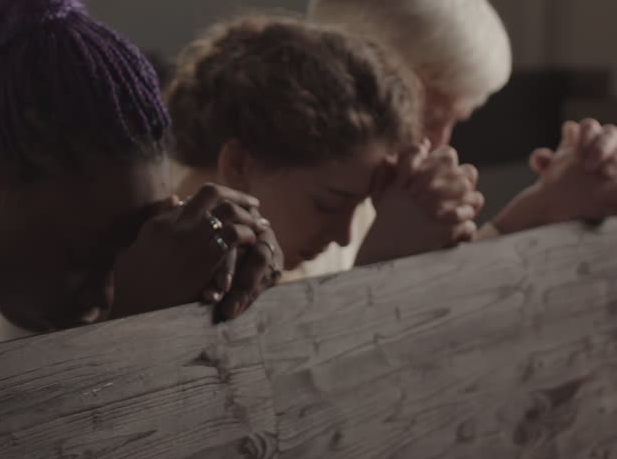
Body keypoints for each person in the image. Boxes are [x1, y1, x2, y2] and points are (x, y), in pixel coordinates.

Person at [0, 0, 283, 351]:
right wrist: (127, 332)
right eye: (86, 260)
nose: (104, 296)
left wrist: (218, 266)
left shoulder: (15, 287)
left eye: (130, 250)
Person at [306, 0, 617, 273]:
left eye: (454, 122)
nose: (440, 144)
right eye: (428, 118)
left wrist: (542, 209)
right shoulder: (288, 200)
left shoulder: (384, 195)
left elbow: (429, 304)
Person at [165, 16, 485, 276]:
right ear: (238, 165)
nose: (343, 237)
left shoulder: (277, 264)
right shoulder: (161, 280)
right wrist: (381, 266)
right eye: (327, 205)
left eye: (356, 207)